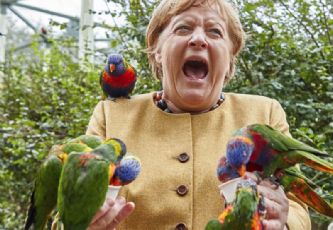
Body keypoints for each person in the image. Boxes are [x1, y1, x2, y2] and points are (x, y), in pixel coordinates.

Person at [86, 0, 311, 229]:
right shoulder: (111, 115)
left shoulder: (264, 113)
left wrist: (282, 222)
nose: (198, 39)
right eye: (183, 28)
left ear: (230, 58)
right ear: (157, 51)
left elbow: (298, 209)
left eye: (215, 31)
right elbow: (69, 205)